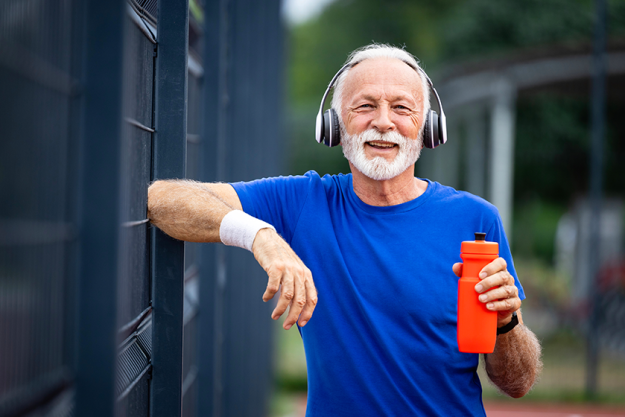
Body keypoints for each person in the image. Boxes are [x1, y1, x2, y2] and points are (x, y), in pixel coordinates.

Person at [148, 44, 542, 416]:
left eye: (402, 108)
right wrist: (261, 237)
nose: (384, 122)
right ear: (334, 125)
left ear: (427, 126)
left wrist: (507, 321)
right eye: (365, 106)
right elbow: (163, 199)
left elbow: (517, 382)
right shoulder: (303, 202)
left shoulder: (476, 220)